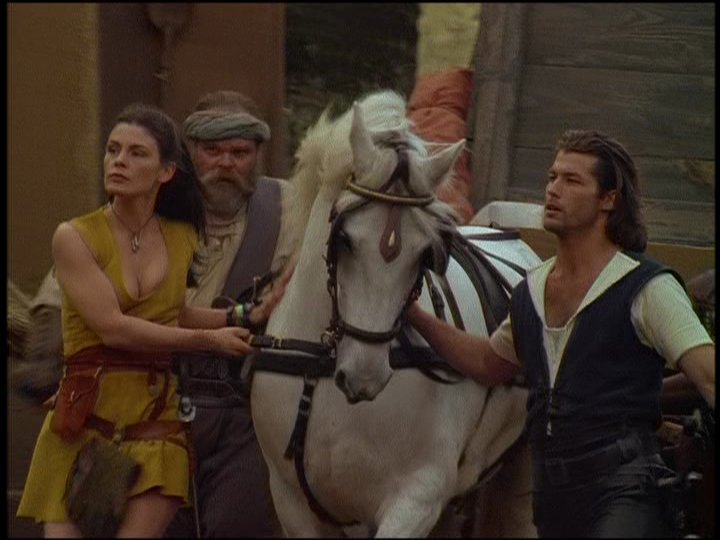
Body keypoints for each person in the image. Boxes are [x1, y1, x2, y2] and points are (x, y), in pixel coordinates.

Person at [407, 129, 715, 538]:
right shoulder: (530, 292)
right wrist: (414, 314)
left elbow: (709, 377)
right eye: (552, 177)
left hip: (625, 490)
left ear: (609, 199)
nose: (553, 190)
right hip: (553, 498)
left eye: (572, 180)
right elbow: (487, 362)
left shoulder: (647, 287)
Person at [16, 103, 284, 538]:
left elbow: (172, 311)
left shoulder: (238, 223)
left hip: (173, 416)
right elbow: (108, 324)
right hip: (87, 414)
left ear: (166, 171)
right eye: (113, 150)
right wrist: (208, 339)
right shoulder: (78, 235)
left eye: (240, 152)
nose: (226, 164)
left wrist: (240, 315)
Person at [163, 90, 298, 538]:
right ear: (190, 152)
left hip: (246, 410)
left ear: (258, 155)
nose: (225, 163)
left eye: (239, 153)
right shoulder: (153, 203)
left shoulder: (289, 208)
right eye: (212, 150)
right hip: (155, 403)